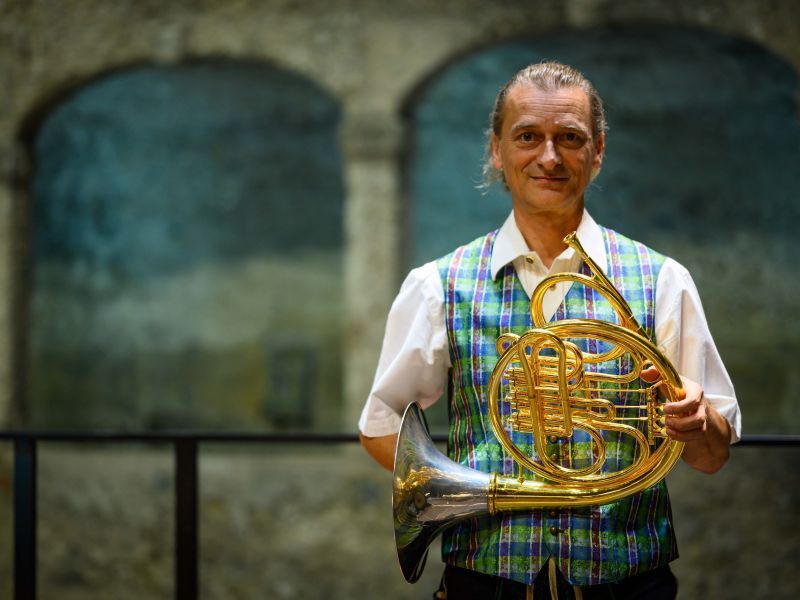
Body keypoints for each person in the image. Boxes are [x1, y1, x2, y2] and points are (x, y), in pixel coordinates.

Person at [358, 61, 741, 599]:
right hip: (486, 582)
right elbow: (380, 425)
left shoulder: (662, 280)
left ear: (597, 152)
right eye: (527, 137)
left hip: (626, 583)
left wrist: (696, 424)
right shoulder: (437, 285)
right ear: (497, 150)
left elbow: (712, 457)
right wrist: (465, 484)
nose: (549, 157)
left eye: (570, 138)